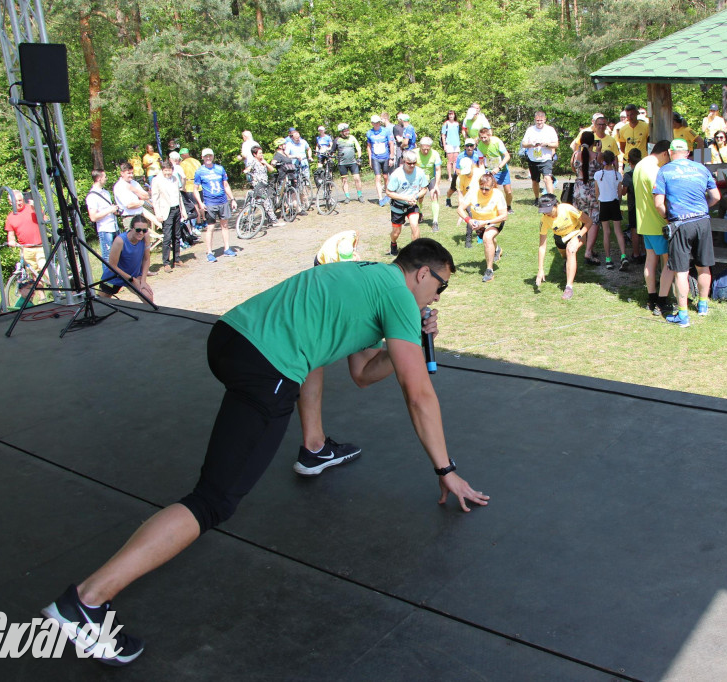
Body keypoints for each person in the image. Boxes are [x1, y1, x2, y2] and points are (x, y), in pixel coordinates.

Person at [40, 238, 488, 667]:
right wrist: (445, 469)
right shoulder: (397, 294)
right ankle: (85, 602)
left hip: (230, 338)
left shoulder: (365, 275)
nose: (438, 298)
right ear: (422, 273)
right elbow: (419, 394)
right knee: (213, 501)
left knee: (307, 360)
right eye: (440, 287)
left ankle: (314, 447)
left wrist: (403, 340)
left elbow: (363, 373)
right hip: (266, 365)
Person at [653, 138, 720, 328]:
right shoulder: (701, 168)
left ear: (670, 152)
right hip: (702, 221)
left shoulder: (665, 171)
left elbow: (658, 203)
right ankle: (703, 306)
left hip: (680, 223)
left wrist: (668, 218)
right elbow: (716, 196)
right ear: (688, 153)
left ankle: (683, 315)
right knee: (703, 265)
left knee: (681, 270)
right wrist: (702, 208)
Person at [633, 140, 672, 314]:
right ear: (665, 153)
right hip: (658, 223)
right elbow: (660, 200)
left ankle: (651, 297)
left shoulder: (640, 165)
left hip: (643, 222)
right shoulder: (656, 170)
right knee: (668, 261)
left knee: (650, 260)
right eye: (668, 157)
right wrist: (667, 218)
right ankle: (663, 299)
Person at [535, 193, 593, 300]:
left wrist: (578, 237)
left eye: (549, 210)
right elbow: (542, 246)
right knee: (566, 256)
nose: (547, 214)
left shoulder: (567, 208)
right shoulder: (544, 220)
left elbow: (589, 221)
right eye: (544, 211)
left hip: (577, 233)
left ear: (555, 205)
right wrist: (540, 269)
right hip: (560, 238)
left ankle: (569, 287)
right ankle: (567, 263)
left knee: (570, 250)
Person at [457, 172, 507, 282]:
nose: (484, 191)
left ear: (493, 186)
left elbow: (504, 216)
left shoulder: (498, 194)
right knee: (490, 239)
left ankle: (489, 271)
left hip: (494, 221)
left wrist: (486, 222)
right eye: (481, 188)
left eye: (487, 189)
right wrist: (469, 221)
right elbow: (460, 209)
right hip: (478, 223)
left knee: (487, 238)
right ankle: (497, 249)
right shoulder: (473, 193)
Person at [192, 148, 239, 263]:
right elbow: (195, 189)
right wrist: (200, 203)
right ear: (202, 158)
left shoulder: (219, 169)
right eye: (206, 156)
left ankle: (227, 248)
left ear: (213, 157)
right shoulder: (200, 171)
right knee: (210, 227)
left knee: (225, 225)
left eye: (210, 156)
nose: (208, 158)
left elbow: (226, 185)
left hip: (222, 201)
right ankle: (209, 252)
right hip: (210, 203)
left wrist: (232, 199)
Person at [4, 189, 46, 306]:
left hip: (39, 245)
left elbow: (45, 219)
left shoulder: (30, 208)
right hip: (26, 248)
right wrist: (11, 241)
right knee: (34, 274)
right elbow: (10, 234)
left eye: (20, 200)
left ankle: (58, 289)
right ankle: (42, 297)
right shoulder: (10, 217)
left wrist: (36, 209)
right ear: (10, 202)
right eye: (16, 201)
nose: (19, 203)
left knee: (43, 267)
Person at [99, 214, 153, 303]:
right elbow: (112, 266)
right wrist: (132, 279)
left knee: (148, 298)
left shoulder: (145, 237)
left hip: (134, 276)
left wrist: (143, 280)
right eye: (138, 230)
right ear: (131, 228)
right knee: (102, 303)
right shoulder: (120, 241)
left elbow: (146, 259)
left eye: (144, 230)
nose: (141, 233)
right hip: (115, 276)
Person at [385, 149, 429, 256]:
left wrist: (416, 196)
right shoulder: (396, 175)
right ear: (404, 161)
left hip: (412, 205)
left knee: (414, 226)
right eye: (409, 163)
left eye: (414, 163)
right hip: (398, 206)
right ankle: (393, 244)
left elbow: (424, 188)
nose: (412, 165)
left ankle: (415, 252)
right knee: (396, 232)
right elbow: (388, 192)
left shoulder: (419, 172)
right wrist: (405, 198)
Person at [593, 150, 629, 271]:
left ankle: (608, 259)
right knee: (618, 231)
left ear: (603, 161)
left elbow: (597, 192)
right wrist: (618, 203)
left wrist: (599, 203)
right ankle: (623, 255)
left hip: (603, 203)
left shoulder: (598, 174)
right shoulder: (617, 175)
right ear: (614, 161)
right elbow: (620, 193)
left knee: (606, 232)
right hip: (614, 203)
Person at [151, 160, 189, 272]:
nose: (168, 173)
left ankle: (177, 259)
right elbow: (155, 198)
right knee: (167, 237)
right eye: (165, 171)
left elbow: (179, 195)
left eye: (169, 171)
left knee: (177, 236)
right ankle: (166, 262)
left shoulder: (175, 179)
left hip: (176, 208)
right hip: (166, 211)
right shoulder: (157, 180)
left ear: (172, 170)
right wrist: (158, 213)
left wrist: (183, 210)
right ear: (162, 170)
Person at [572, 130, 602, 264]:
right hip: (592, 189)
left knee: (581, 219)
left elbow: (574, 169)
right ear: (593, 143)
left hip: (579, 188)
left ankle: (581, 244)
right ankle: (588, 251)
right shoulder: (597, 156)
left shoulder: (575, 155)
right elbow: (601, 170)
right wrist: (598, 150)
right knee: (594, 219)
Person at [521, 111, 559, 204]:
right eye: (537, 120)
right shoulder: (530, 130)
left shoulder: (550, 130)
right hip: (533, 158)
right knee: (535, 180)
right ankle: (537, 198)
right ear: (535, 120)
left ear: (545, 120)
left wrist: (547, 144)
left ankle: (551, 198)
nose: (539, 122)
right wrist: (531, 144)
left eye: (541, 120)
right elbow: (524, 144)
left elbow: (556, 144)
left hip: (546, 158)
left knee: (547, 178)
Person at [86, 170, 121, 262]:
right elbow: (93, 217)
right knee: (108, 256)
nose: (106, 179)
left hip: (114, 227)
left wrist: (114, 211)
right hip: (105, 229)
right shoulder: (92, 196)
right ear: (99, 178)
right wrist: (109, 210)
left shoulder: (106, 192)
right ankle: (108, 276)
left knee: (119, 254)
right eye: (105, 177)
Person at [477, 125, 513, 213]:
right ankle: (491, 208)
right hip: (490, 170)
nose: (483, 139)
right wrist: (483, 173)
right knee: (491, 191)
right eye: (481, 137)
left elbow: (507, 156)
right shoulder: (480, 146)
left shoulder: (497, 142)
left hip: (502, 169)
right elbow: (481, 162)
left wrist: (499, 167)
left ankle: (508, 206)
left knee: (508, 191)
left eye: (485, 137)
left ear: (489, 135)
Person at [245, 145, 284, 226]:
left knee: (262, 203)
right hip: (258, 186)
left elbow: (272, 169)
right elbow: (248, 168)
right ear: (254, 154)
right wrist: (247, 171)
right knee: (266, 202)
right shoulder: (253, 161)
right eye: (260, 153)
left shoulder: (263, 162)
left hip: (264, 185)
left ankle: (248, 220)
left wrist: (265, 163)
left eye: (262, 153)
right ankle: (274, 221)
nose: (261, 154)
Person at [447, 139, 484, 208]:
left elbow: (480, 166)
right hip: (461, 174)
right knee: (452, 189)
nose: (469, 148)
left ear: (474, 146)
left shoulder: (477, 155)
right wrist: (464, 175)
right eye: (467, 146)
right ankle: (448, 198)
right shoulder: (460, 156)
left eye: (471, 145)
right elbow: (457, 169)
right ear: (465, 147)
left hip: (473, 175)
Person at [621, 147, 643, 263]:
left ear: (629, 161)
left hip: (633, 204)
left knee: (634, 229)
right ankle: (645, 251)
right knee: (644, 229)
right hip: (643, 204)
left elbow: (624, 192)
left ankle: (636, 253)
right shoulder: (644, 172)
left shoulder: (629, 175)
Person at [367, 114, 395, 207]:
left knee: (386, 177)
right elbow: (369, 146)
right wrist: (370, 159)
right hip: (375, 158)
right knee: (378, 177)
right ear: (372, 123)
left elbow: (391, 144)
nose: (377, 124)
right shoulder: (369, 133)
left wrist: (391, 157)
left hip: (385, 157)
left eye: (378, 122)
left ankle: (388, 195)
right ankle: (380, 198)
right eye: (375, 123)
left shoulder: (386, 131)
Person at [113, 162, 150, 232]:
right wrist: (141, 202)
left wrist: (134, 190)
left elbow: (147, 196)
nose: (131, 175)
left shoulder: (134, 183)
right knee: (132, 241)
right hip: (129, 218)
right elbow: (129, 205)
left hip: (140, 215)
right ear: (122, 173)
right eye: (129, 173)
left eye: (132, 173)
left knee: (143, 240)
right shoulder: (119, 187)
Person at [416, 137, 442, 231]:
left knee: (434, 195)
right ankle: (419, 213)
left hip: (431, 177)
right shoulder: (414, 153)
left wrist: (436, 186)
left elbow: (438, 170)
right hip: (418, 178)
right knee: (419, 198)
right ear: (420, 146)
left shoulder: (435, 154)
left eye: (428, 149)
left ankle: (435, 222)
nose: (426, 151)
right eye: (424, 149)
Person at [333, 123, 363, 203]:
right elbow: (332, 151)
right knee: (344, 180)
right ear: (341, 132)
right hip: (342, 163)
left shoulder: (352, 138)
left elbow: (358, 148)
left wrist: (359, 157)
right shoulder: (337, 140)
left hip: (353, 162)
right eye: (345, 131)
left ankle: (360, 195)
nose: (347, 132)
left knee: (357, 178)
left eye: (348, 130)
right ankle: (347, 197)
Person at [178, 148, 202, 228]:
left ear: (183, 155)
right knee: (200, 204)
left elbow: (182, 176)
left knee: (194, 205)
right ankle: (203, 220)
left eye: (181, 155)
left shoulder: (183, 164)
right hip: (199, 185)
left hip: (189, 186)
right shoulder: (196, 161)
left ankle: (197, 223)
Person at [440, 110, 462, 186]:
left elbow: (458, 133)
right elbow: (443, 135)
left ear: (454, 115)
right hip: (449, 143)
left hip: (456, 144)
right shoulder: (445, 124)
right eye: (449, 114)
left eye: (452, 114)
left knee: (456, 160)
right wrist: (444, 145)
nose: (451, 116)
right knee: (450, 160)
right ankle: (449, 176)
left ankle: (455, 175)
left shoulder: (457, 124)